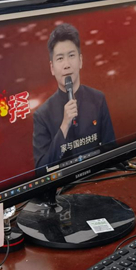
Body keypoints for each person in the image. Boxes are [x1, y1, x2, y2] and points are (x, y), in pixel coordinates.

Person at [32, 23, 115, 169]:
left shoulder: (98, 99)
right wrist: (64, 125)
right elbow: (41, 171)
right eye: (60, 58)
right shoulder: (42, 115)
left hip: (98, 176)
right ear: (52, 68)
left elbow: (111, 152)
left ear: (80, 61)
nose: (66, 64)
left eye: (71, 56)